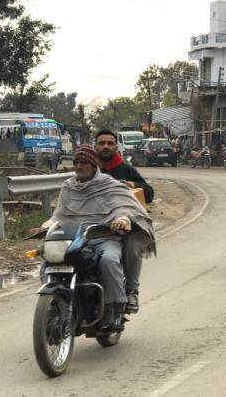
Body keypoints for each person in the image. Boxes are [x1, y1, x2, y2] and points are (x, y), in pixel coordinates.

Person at [41, 145, 156, 330]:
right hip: (74, 239)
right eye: (76, 162)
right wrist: (47, 224)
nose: (78, 166)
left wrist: (123, 218)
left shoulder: (110, 185)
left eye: (84, 162)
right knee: (48, 261)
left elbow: (125, 206)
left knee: (109, 260)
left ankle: (113, 308)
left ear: (94, 165)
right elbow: (59, 214)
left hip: (104, 237)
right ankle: (55, 304)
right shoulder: (69, 186)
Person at [94, 129, 154, 313]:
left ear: (116, 146)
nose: (105, 146)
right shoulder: (88, 167)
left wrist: (132, 184)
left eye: (110, 143)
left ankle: (131, 290)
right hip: (92, 220)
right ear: (95, 146)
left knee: (135, 242)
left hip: (123, 220)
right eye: (102, 143)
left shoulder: (125, 169)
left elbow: (149, 193)